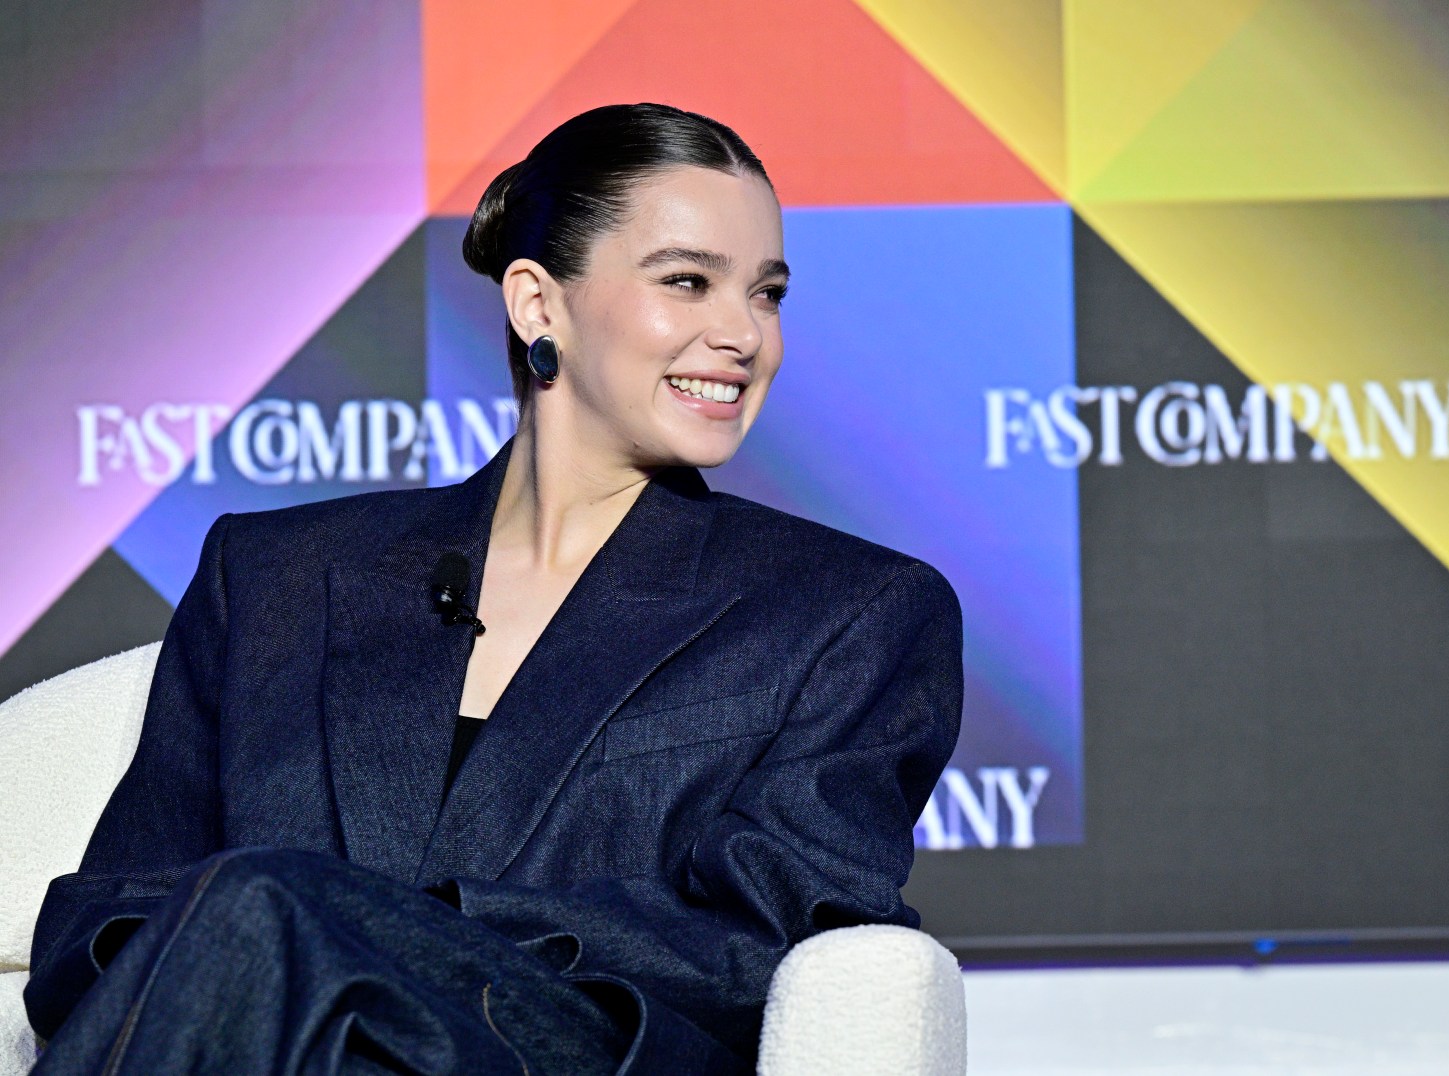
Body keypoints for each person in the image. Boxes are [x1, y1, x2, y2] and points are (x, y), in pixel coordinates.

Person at [23, 102, 963, 1075]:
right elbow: (102, 920)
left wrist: (373, 929)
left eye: (766, 294)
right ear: (537, 304)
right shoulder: (276, 576)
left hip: (562, 1052)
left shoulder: (848, 610)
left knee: (262, 908)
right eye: (687, 281)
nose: (743, 333)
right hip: (262, 1039)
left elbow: (762, 942)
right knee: (251, 924)